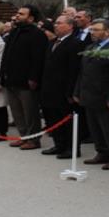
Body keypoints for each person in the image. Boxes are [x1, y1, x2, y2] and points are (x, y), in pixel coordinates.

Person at [73, 19, 109, 170]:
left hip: (104, 95)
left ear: (108, 32)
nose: (92, 33)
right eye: (91, 30)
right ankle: (102, 152)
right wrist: (77, 91)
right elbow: (82, 72)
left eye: (96, 30)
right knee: (95, 127)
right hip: (89, 94)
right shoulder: (90, 47)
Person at [0, 5, 48, 150]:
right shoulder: (15, 32)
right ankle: (23, 136)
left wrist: (34, 78)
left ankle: (33, 139)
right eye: (17, 13)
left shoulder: (37, 34)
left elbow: (38, 59)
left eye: (21, 14)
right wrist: (3, 74)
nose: (17, 16)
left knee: (30, 111)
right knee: (16, 111)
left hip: (27, 81)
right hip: (11, 79)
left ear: (31, 18)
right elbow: (6, 55)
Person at [40, 15, 84, 159]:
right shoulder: (52, 42)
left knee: (68, 121)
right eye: (56, 23)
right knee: (54, 119)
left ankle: (72, 148)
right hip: (50, 88)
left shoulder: (75, 43)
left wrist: (71, 92)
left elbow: (74, 70)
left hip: (65, 89)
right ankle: (59, 145)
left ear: (70, 26)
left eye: (60, 23)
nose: (56, 26)